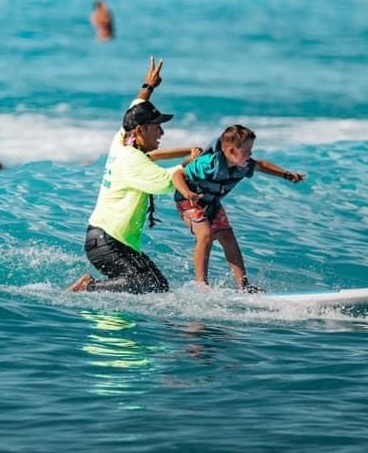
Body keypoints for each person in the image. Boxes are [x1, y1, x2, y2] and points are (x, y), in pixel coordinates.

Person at [69, 58, 200, 293]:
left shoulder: (123, 138)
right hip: (107, 242)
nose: (162, 132)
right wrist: (192, 162)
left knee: (159, 286)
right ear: (140, 130)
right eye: (156, 126)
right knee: (146, 283)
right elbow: (171, 180)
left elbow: (135, 108)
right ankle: (88, 287)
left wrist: (148, 86)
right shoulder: (132, 160)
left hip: (110, 239)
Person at [172, 124, 305, 292]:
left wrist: (286, 174)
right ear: (233, 151)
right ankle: (201, 285)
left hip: (211, 203)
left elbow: (262, 165)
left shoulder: (244, 165)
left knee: (227, 237)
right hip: (188, 201)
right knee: (205, 234)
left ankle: (244, 285)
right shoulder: (209, 164)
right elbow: (178, 174)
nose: (250, 154)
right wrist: (187, 192)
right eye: (247, 150)